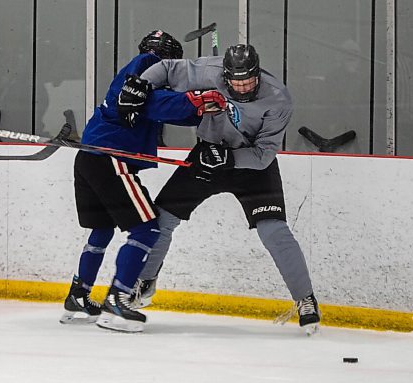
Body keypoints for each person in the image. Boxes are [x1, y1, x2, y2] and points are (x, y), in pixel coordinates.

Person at [122, 44, 321, 334]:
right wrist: (141, 84)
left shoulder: (278, 99)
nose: (241, 87)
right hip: (207, 155)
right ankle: (144, 282)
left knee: (273, 229)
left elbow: (264, 154)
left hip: (251, 165)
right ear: (225, 76)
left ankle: (306, 299)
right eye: (235, 82)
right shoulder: (209, 71)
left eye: (248, 81)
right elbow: (166, 68)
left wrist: (229, 158)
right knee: (162, 218)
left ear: (258, 75)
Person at [59, 29, 226, 332]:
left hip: (89, 158)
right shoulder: (144, 66)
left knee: (102, 229)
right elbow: (154, 104)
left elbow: (160, 108)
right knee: (148, 228)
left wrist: (201, 108)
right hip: (110, 158)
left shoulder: (133, 77)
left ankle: (79, 295)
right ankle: (118, 300)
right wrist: (196, 101)